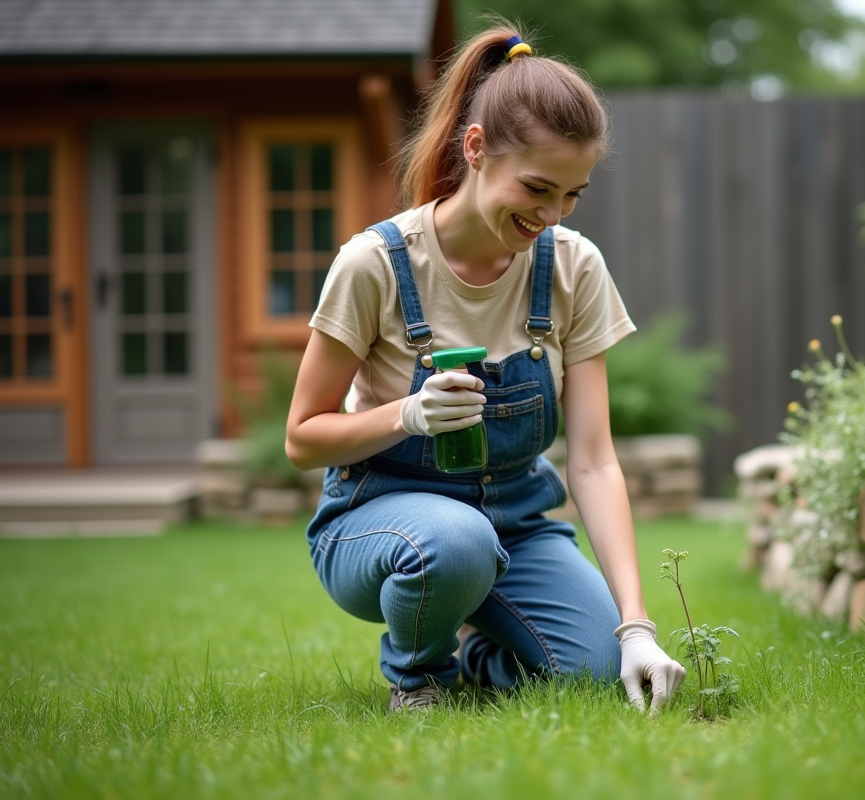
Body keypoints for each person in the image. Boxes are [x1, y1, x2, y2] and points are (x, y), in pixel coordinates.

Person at [286, 24, 687, 714]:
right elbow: (302, 437)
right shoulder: (375, 265)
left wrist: (637, 626)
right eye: (537, 187)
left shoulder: (572, 267)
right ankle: (421, 675)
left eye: (571, 195)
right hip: (374, 521)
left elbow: (592, 460)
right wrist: (406, 415)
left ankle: (476, 648)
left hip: (517, 523)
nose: (551, 214)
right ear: (475, 149)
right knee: (455, 539)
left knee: (598, 674)